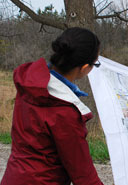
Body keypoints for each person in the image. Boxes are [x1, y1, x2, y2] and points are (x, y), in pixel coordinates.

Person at [1, 27, 104, 185]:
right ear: (84, 68)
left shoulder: (30, 84)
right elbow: (84, 176)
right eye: (95, 64)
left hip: (13, 178)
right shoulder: (65, 111)